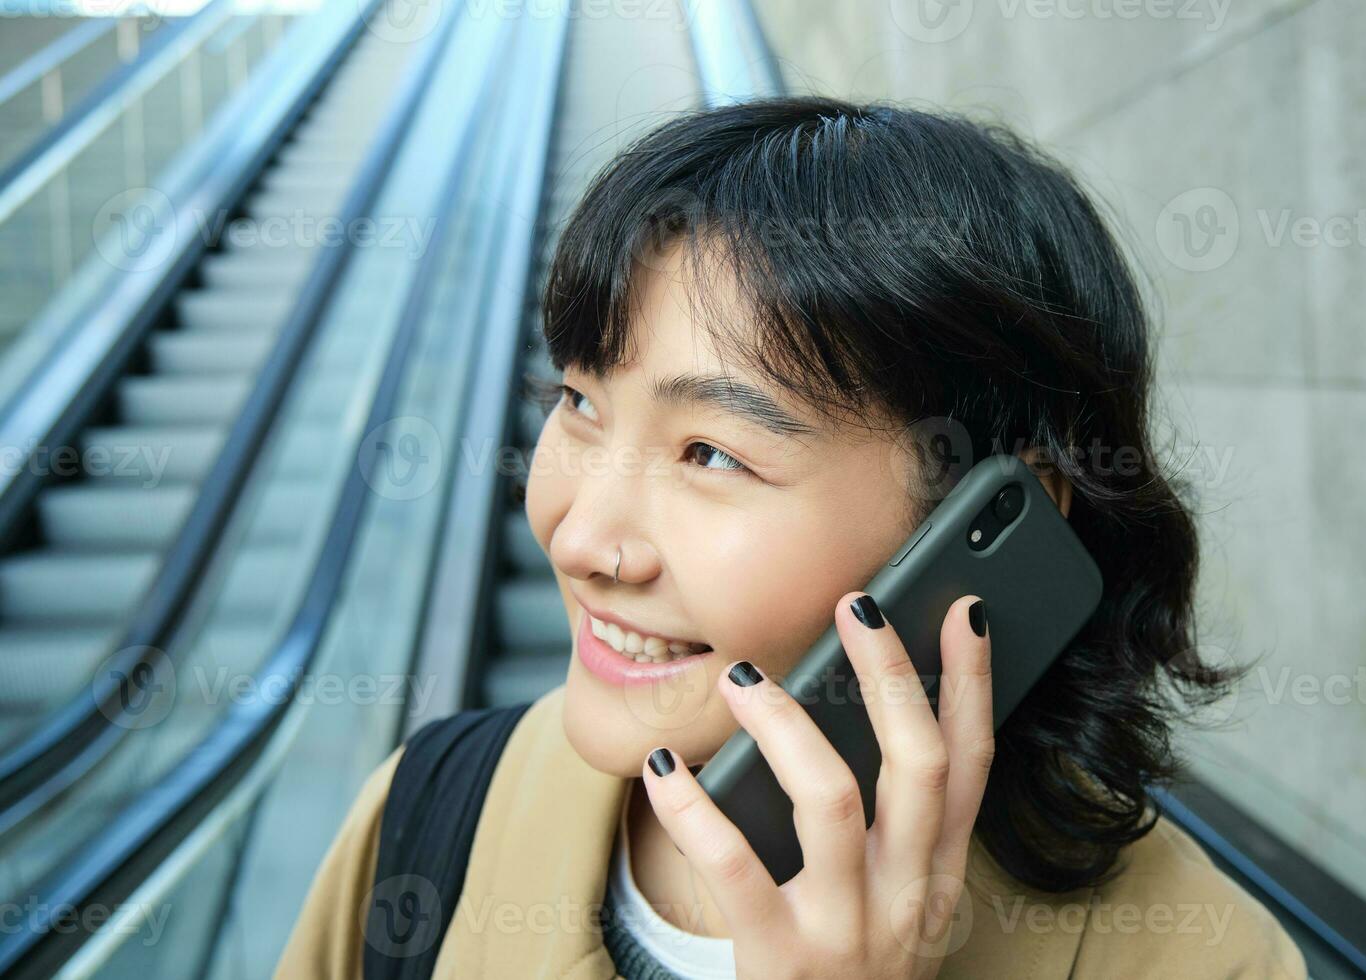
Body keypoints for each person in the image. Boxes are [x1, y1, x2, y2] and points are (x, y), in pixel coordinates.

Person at [276, 96, 1307, 979]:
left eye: (710, 454)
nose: (582, 535)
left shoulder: (1197, 954)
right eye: (579, 400)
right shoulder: (429, 814)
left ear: (984, 521)